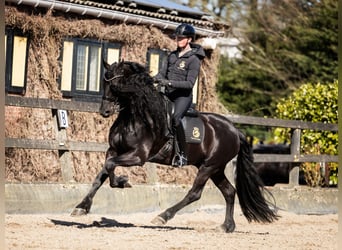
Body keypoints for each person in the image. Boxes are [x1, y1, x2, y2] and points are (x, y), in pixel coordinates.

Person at [155, 23, 205, 167]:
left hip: (182, 97)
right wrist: (152, 79)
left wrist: (168, 83)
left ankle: (182, 154)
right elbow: (161, 73)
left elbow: (190, 84)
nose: (178, 40)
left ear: (189, 39)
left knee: (176, 118)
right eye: (177, 37)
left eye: (181, 38)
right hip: (168, 94)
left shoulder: (194, 60)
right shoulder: (172, 55)